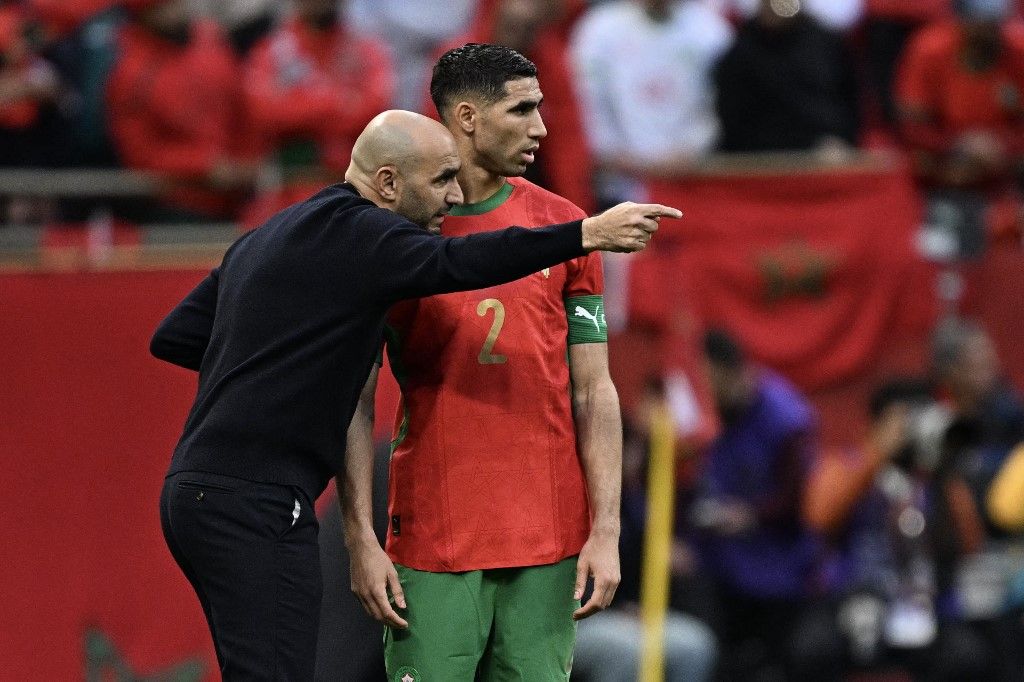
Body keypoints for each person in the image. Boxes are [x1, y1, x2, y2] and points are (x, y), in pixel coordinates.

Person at [150, 109, 678, 681]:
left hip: (192, 494)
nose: (455, 195)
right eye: (441, 179)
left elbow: (176, 335)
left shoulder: (269, 235)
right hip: (258, 497)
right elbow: (457, 262)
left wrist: (283, 369)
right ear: (388, 183)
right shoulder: (367, 235)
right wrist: (584, 234)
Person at [343, 45, 621, 681]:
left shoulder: (566, 227)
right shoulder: (392, 243)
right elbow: (353, 400)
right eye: (521, 110)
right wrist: (359, 538)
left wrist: (605, 530)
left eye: (540, 109)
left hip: (549, 541)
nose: (540, 128)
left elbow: (594, 391)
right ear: (467, 117)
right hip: (434, 536)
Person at [691, 329, 819, 680]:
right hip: (719, 559)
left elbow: (797, 502)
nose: (703, 387)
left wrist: (748, 516)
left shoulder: (787, 420)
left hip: (779, 565)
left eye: (707, 377)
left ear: (728, 370)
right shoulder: (708, 416)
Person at [241, 0, 393, 225]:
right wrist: (337, 101)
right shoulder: (272, 51)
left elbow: (375, 109)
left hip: (355, 195)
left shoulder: (365, 50)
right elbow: (264, 113)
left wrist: (298, 104)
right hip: (287, 197)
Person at [106, 0, 257, 221]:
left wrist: (247, 159)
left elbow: (242, 108)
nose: (174, 11)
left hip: (239, 196)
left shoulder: (212, 39)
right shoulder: (130, 73)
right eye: (162, 8)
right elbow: (140, 155)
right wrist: (204, 165)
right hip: (178, 203)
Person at [714, 0, 860, 154]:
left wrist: (839, 139)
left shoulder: (826, 44)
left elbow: (848, 104)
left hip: (819, 150)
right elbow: (730, 115)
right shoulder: (741, 49)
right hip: (755, 154)